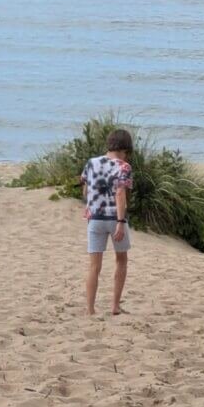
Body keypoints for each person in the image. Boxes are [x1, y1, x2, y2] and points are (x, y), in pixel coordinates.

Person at [81, 128, 134, 315]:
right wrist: (120, 221)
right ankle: (115, 306)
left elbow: (85, 190)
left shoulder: (91, 163)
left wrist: (92, 204)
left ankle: (90, 309)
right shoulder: (124, 167)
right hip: (114, 218)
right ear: (125, 148)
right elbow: (120, 193)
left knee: (94, 266)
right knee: (121, 260)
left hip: (94, 218)